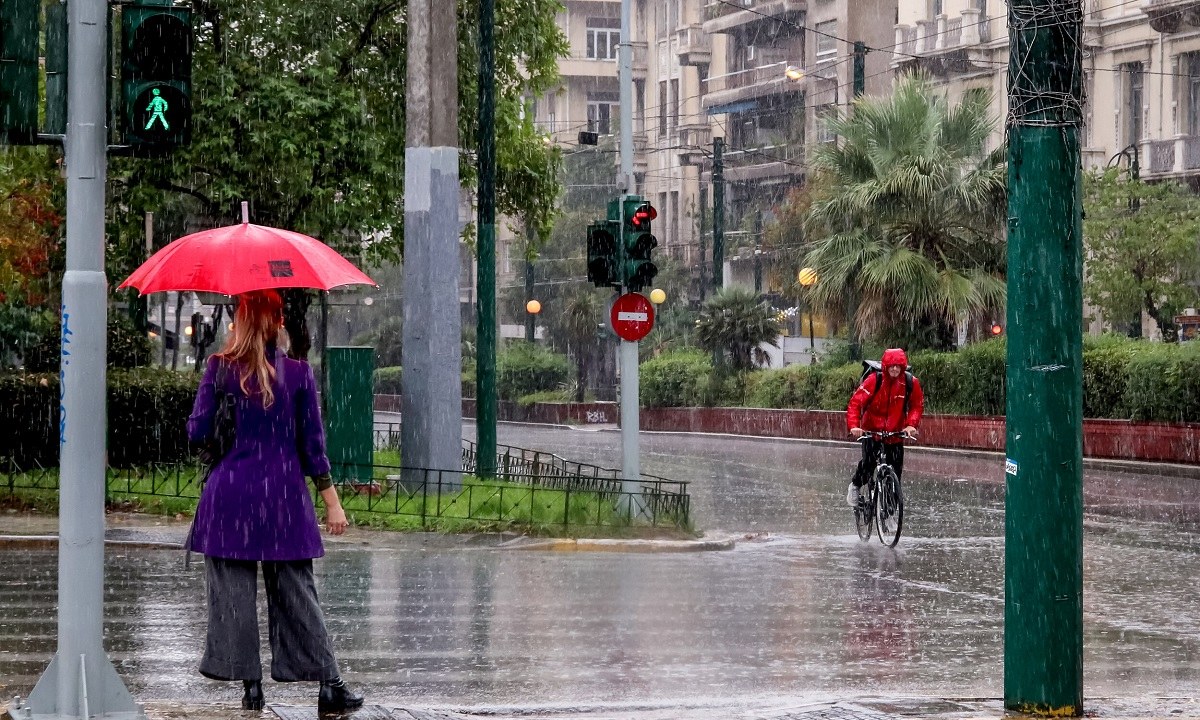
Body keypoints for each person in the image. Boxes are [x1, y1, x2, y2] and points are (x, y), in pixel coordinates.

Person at [185, 289, 364, 714]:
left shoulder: (219, 369)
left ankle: (250, 686)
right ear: (278, 322)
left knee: (233, 596)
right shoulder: (299, 375)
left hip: (229, 499)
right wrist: (332, 503)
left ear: (241, 321)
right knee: (298, 595)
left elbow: (196, 433)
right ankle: (329, 686)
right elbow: (313, 447)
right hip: (283, 500)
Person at [845, 347, 924, 507]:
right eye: (891, 365)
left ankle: (890, 512)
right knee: (868, 465)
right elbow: (855, 403)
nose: (895, 369)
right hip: (872, 432)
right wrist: (854, 426)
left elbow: (916, 405)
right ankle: (855, 486)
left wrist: (911, 425)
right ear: (885, 366)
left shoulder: (910, 382)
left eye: (898, 366)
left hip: (895, 434)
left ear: (903, 366)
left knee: (895, 474)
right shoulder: (875, 380)